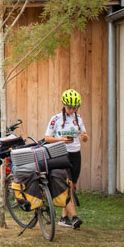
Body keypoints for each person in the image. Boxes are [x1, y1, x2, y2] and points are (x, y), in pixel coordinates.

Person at [44, 89, 88, 229]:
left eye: (75, 108)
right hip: (62, 154)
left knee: (72, 186)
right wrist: (61, 139)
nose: (72, 110)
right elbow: (47, 138)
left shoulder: (78, 118)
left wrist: (84, 137)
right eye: (70, 107)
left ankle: (64, 218)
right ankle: (74, 217)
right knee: (67, 186)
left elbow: (84, 136)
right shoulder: (56, 119)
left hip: (76, 154)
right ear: (64, 105)